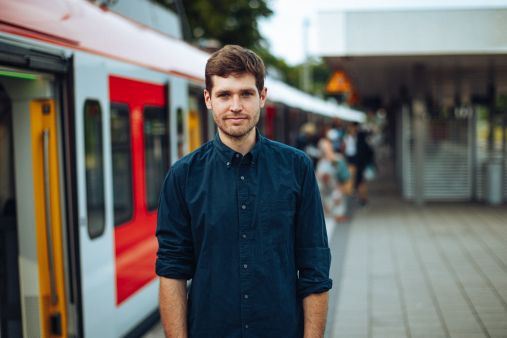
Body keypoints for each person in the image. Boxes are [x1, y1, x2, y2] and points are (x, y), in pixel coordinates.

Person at [156, 45, 332, 337]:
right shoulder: (183, 176)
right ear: (208, 99)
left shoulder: (296, 167)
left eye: (246, 94)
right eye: (225, 94)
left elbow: (314, 267)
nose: (235, 106)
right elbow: (172, 271)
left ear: (262, 97)